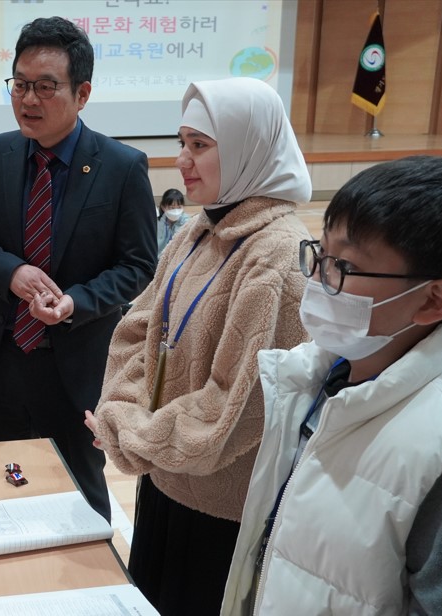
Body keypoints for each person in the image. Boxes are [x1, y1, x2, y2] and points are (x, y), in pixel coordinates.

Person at [221, 156, 442, 615]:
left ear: (432, 300)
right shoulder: (313, 376)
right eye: (319, 252)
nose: (316, 278)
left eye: (344, 266)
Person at [86, 77, 312, 614]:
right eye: (181, 142)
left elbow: (232, 410)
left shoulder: (277, 258)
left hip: (221, 511)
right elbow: (136, 332)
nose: (182, 160)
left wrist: (132, 433)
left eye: (200, 145)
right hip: (165, 482)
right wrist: (122, 410)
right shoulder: (194, 233)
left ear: (246, 149)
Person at [0, 16, 157, 521]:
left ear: (82, 93)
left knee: (81, 496)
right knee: (7, 487)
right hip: (3, 362)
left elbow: (138, 265)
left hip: (77, 368)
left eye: (45, 87)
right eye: (20, 85)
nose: (28, 99)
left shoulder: (122, 166)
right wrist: (12, 273)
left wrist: (74, 303)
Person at [157, 187, 191, 252]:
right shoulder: (159, 223)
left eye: (179, 207)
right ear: (163, 207)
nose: (175, 211)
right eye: (171, 208)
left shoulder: (187, 222)